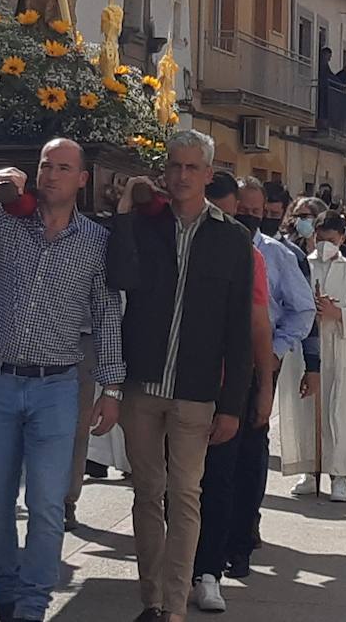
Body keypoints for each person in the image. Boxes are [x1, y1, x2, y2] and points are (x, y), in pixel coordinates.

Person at [0, 139, 126, 622]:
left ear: (82, 179)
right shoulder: (2, 222)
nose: (52, 175)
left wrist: (111, 388)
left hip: (56, 386)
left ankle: (32, 605)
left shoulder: (97, 243)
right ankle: (5, 595)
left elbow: (107, 315)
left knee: (45, 502)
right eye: (45, 166)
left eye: (63, 168)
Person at [107, 131, 253, 622]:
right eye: (175, 166)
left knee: (185, 495)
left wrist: (232, 404)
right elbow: (119, 277)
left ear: (208, 175)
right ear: (165, 171)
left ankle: (175, 608)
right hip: (142, 387)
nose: (182, 176)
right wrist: (126, 210)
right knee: (147, 494)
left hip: (195, 393)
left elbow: (239, 328)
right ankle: (151, 600)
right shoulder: (145, 229)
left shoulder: (232, 238)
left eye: (192, 168)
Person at [189, 171, 279, 613]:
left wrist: (264, 386)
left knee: (220, 480)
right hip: (176, 386)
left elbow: (259, 325)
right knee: (177, 483)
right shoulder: (172, 246)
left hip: (228, 385)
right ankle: (181, 564)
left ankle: (211, 568)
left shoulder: (248, 255)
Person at [224, 176, 316, 582]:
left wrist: (276, 351)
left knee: (249, 448)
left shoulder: (279, 256)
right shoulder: (207, 244)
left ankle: (243, 533)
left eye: (256, 212)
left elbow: (303, 310)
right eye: (241, 208)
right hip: (207, 365)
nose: (248, 216)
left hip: (258, 364)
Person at [280, 210, 346, 502]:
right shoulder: (301, 266)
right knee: (308, 410)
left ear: (342, 239)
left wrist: (336, 312)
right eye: (320, 239)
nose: (324, 245)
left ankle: (339, 475)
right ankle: (310, 470)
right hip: (308, 349)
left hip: (340, 349)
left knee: (340, 412)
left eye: (330, 240)